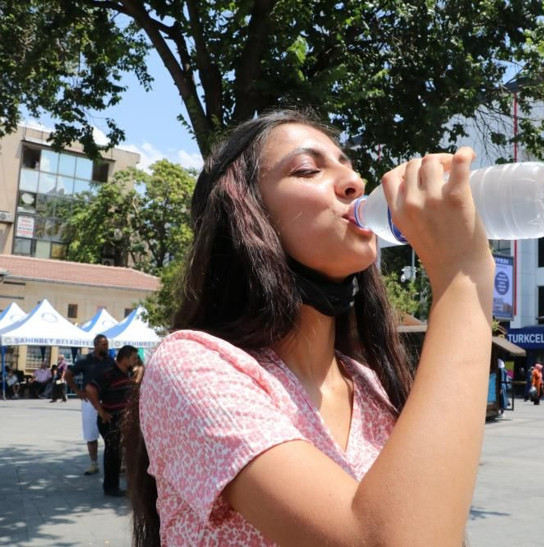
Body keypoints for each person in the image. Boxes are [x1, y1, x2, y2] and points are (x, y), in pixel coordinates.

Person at [122, 110, 495, 545]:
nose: (355, 183)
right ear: (245, 215)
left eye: (348, 165)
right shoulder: (190, 366)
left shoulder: (372, 385)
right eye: (307, 169)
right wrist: (462, 277)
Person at [85, 344, 139, 497]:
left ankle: (114, 485)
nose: (136, 361)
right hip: (110, 420)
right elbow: (90, 388)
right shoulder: (110, 373)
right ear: (124, 359)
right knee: (112, 452)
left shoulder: (126, 373)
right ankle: (110, 487)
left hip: (121, 419)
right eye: (134, 358)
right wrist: (100, 410)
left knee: (116, 452)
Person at [65, 334, 116, 475]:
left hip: (108, 401)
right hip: (89, 402)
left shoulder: (111, 361)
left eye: (107, 344)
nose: (106, 347)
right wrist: (77, 390)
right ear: (96, 345)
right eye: (103, 344)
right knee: (90, 433)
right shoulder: (85, 360)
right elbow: (67, 375)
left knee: (112, 433)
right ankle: (94, 464)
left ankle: (115, 464)